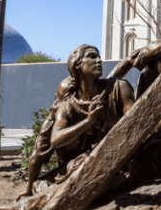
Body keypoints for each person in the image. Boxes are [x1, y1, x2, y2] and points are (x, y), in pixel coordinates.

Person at [18, 45, 135, 203]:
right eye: (92, 57)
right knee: (40, 186)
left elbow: (137, 120)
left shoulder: (118, 88)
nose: (99, 60)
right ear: (77, 65)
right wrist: (88, 121)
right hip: (80, 164)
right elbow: (53, 140)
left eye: (98, 56)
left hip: (120, 160)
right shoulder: (66, 106)